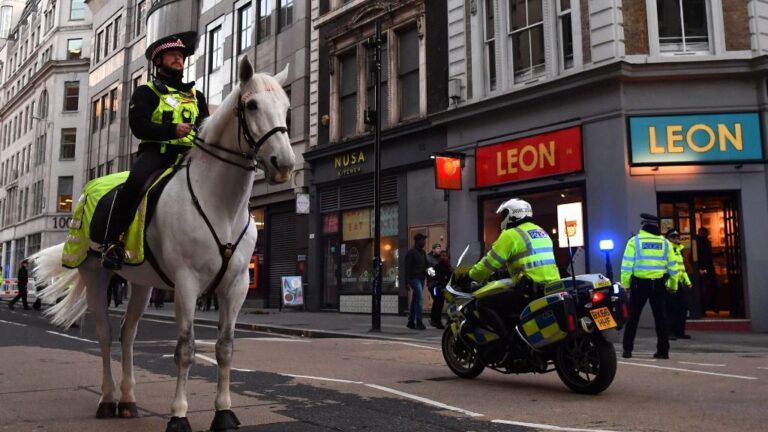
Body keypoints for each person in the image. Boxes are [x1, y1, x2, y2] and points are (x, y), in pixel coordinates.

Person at [101, 35, 210, 270]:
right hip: (157, 155)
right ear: (158, 60)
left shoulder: (197, 97)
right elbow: (139, 127)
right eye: (173, 55)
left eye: (181, 56)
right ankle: (112, 243)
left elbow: (205, 128)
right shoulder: (146, 92)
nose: (179, 58)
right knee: (132, 186)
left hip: (191, 156)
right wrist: (173, 130)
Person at [455, 198, 561, 346]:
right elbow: (530, 262)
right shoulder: (541, 232)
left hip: (529, 291)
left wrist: (469, 276)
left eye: (504, 214)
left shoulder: (510, 234)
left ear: (513, 214)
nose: (502, 218)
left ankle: (508, 342)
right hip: (551, 288)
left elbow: (489, 263)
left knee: (483, 304)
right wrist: (506, 272)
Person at [620, 213, 678, 360]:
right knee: (661, 318)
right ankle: (663, 351)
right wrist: (672, 285)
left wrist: (625, 284)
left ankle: (627, 350)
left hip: (640, 284)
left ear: (644, 225)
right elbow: (673, 267)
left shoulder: (635, 241)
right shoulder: (665, 243)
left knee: (633, 317)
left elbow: (626, 265)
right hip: (659, 285)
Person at [666, 229, 693, 340]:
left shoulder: (678, 251)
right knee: (671, 308)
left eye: (677, 237)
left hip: (679, 283)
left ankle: (679, 332)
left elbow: (682, 269)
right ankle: (670, 332)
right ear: (668, 238)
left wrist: (687, 282)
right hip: (669, 284)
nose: (676, 239)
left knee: (682, 307)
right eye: (673, 237)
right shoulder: (666, 250)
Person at [404, 233, 428, 330]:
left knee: (415, 299)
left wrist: (429, 278)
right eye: (423, 240)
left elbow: (426, 266)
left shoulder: (423, 253)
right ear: (417, 241)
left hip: (421, 278)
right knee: (420, 298)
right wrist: (406, 282)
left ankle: (410, 321)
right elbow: (407, 268)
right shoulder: (411, 252)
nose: (424, 242)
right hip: (414, 278)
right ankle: (419, 321)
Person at [695, 227, 721, 314]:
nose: (702, 235)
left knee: (716, 286)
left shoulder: (707, 243)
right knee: (703, 289)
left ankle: (710, 305)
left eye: (703, 233)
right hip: (703, 269)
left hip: (708, 269)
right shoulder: (696, 243)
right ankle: (704, 309)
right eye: (701, 233)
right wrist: (698, 268)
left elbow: (708, 256)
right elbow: (694, 257)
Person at [429, 249, 452, 329]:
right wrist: (436, 282)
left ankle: (436, 319)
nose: (444, 257)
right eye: (442, 255)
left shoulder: (449, 267)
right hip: (439, 287)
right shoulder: (437, 266)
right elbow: (432, 274)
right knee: (438, 302)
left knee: (441, 303)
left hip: (447, 288)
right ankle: (436, 320)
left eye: (445, 256)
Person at [426, 243, 444, 328]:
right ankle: (435, 320)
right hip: (433, 283)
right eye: (437, 248)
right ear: (433, 249)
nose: (439, 250)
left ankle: (435, 319)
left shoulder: (440, 258)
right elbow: (429, 270)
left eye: (440, 248)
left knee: (439, 301)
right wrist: (436, 277)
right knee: (438, 300)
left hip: (440, 283)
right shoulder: (429, 258)